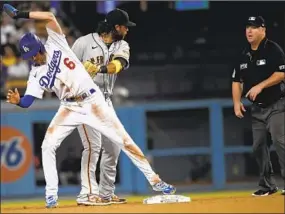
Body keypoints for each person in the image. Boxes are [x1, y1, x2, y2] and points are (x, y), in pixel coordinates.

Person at [3, 3, 176, 208]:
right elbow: (29, 100)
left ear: (39, 46)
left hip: (93, 101)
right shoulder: (35, 74)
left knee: (123, 140)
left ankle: (156, 181)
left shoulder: (55, 43)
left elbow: (49, 15)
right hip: (68, 107)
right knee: (47, 145)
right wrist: (19, 102)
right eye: (28, 56)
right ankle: (51, 195)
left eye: (33, 52)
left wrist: (19, 14)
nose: (32, 57)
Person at [71, 9, 134, 205]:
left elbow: (118, 65)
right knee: (93, 146)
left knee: (114, 147)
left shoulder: (121, 44)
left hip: (105, 100)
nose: (127, 30)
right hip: (83, 99)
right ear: (116, 27)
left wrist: (98, 68)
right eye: (125, 26)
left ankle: (106, 193)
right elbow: (67, 70)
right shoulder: (83, 43)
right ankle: (87, 193)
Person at [232, 16, 285, 196]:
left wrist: (260, 85)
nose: (249, 30)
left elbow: (281, 74)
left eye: (254, 27)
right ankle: (267, 186)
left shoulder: (273, 49)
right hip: (257, 110)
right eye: (248, 27)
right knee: (258, 146)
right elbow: (236, 81)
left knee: (280, 141)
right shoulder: (243, 54)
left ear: (263, 30)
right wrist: (236, 102)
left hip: (277, 105)